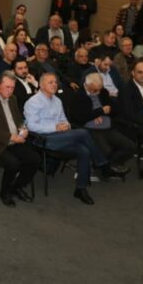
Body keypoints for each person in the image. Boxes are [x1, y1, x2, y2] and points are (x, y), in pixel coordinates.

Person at [24, 73, 125, 204]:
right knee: (83, 133)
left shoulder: (57, 101)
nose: (54, 84)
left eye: (55, 82)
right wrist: (55, 127)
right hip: (44, 139)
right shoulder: (33, 102)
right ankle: (103, 165)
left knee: (84, 151)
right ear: (41, 85)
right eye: (50, 82)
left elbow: (64, 119)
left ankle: (80, 189)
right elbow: (31, 126)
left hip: (61, 136)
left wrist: (66, 125)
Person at [0, 73, 42, 207]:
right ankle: (4, 193)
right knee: (13, 164)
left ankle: (16, 187)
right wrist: (10, 136)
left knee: (35, 159)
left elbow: (18, 119)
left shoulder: (13, 99)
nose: (10, 91)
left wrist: (23, 128)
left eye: (12, 87)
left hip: (13, 140)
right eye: (7, 87)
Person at [66, 72, 137, 174]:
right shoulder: (78, 95)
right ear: (87, 85)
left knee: (130, 146)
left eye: (100, 89)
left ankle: (108, 166)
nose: (98, 92)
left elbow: (115, 110)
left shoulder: (102, 92)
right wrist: (99, 112)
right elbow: (78, 117)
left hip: (107, 126)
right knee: (106, 150)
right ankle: (106, 168)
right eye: (95, 90)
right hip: (90, 129)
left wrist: (106, 111)